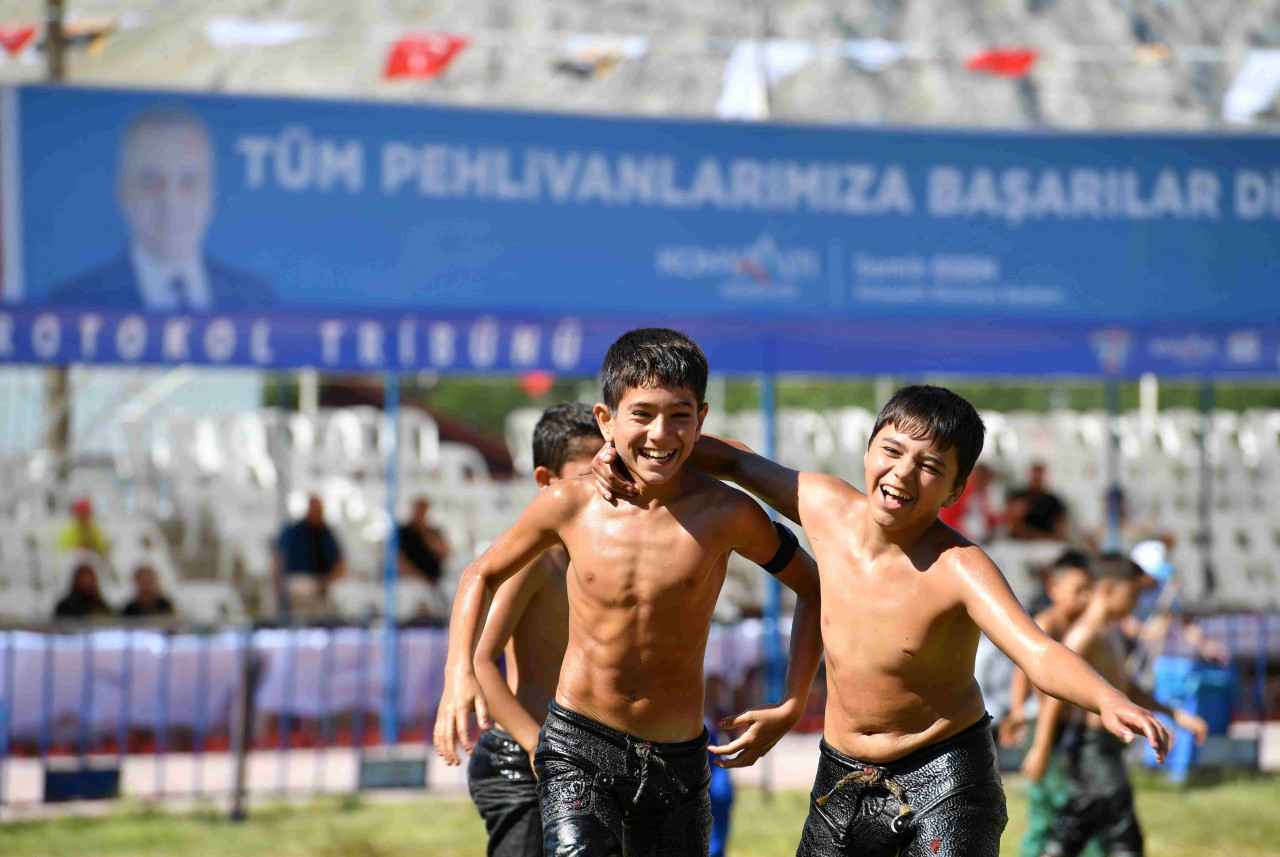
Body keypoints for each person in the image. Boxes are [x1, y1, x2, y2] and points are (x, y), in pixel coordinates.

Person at [592, 384, 1172, 857]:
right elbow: (731, 458)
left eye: (929, 467)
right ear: (869, 451)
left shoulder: (959, 566)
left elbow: (1038, 651)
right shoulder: (824, 506)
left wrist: (1107, 698)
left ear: (955, 489)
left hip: (946, 778)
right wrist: (625, 445)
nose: (902, 474)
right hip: (840, 775)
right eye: (892, 451)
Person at [435, 328, 824, 857]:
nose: (660, 433)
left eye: (679, 415)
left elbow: (813, 586)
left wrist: (792, 704)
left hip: (679, 755)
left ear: (702, 419)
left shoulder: (729, 515)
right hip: (579, 746)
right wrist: (458, 672)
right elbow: (479, 574)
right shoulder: (568, 505)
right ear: (606, 419)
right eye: (641, 414)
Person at [467, 402, 604, 857]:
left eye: (612, 466)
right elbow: (481, 662)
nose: (604, 481)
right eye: (589, 472)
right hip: (519, 758)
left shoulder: (603, 554)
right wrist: (534, 746)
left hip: (577, 758)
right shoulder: (533, 560)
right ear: (546, 481)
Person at [1023, 554, 1208, 857]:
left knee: (1081, 824)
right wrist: (1041, 748)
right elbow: (1054, 693)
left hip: (1106, 748)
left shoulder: (1111, 634)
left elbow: (1129, 689)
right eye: (1133, 594)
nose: (1137, 603)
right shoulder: (1085, 634)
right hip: (1089, 748)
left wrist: (1178, 715)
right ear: (1108, 590)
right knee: (1123, 831)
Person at [49, 107, 273, 310]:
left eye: (189, 181)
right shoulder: (72, 303)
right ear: (123, 193)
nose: (171, 202)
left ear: (212, 192)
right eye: (152, 182)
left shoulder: (257, 299)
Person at [997, 550, 1099, 857]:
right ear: (1054, 589)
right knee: (1045, 805)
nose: (1085, 598)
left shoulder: (1086, 626)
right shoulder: (1046, 623)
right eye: (1078, 590)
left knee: (1078, 803)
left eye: (1089, 591)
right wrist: (1017, 713)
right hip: (1042, 727)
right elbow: (1021, 672)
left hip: (1070, 727)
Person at [274, 495, 346, 616]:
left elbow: (340, 563)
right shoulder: (293, 531)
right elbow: (279, 558)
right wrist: (278, 585)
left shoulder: (326, 534)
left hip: (320, 583)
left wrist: (327, 582)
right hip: (296, 581)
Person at [398, 496, 452, 610]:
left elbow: (445, 552)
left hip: (435, 580)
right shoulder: (403, 532)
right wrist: (421, 577)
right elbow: (399, 561)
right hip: (411, 579)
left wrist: (425, 533)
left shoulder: (433, 531)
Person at [937, 462, 1000, 543]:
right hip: (960, 539)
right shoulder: (961, 495)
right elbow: (947, 520)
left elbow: (991, 519)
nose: (986, 485)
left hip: (981, 540)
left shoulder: (984, 496)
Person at [1007, 462, 1069, 541]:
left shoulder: (1053, 501)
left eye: (1039, 474)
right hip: (1021, 542)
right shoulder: (1018, 497)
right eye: (1035, 473)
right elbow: (1012, 525)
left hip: (1047, 543)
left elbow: (1061, 529)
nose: (1037, 477)